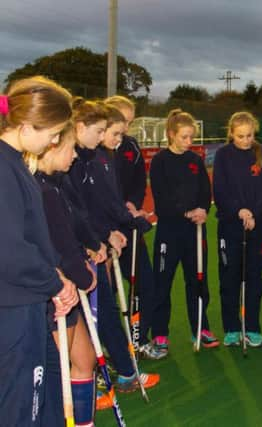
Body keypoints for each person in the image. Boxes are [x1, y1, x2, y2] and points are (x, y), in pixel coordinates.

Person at [67, 99, 159, 409]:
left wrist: (116, 230)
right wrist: (99, 238)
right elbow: (77, 211)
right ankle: (103, 377)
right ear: (80, 128)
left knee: (101, 309)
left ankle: (122, 372)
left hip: (96, 245)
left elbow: (105, 202)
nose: (113, 138)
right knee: (88, 317)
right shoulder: (73, 162)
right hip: (80, 252)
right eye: (106, 131)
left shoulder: (97, 158)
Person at [0, 76, 78, 426]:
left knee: (46, 402)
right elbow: (9, 249)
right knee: (21, 409)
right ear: (30, 124)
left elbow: (30, 238)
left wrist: (54, 276)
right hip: (14, 309)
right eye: (55, 131)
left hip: (30, 303)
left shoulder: (16, 162)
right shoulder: (4, 168)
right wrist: (54, 283)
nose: (56, 140)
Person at [35, 123, 98, 426]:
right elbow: (57, 244)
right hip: (55, 295)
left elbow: (72, 230)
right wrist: (82, 275)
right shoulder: (42, 190)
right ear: (53, 147)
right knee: (56, 374)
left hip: (68, 289)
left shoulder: (57, 184)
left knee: (84, 362)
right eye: (70, 148)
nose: (74, 156)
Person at [150, 109, 217, 353]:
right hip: (169, 232)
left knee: (198, 281)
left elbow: (204, 191)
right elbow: (161, 200)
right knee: (162, 282)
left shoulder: (195, 161)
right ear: (171, 135)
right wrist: (186, 213)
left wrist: (202, 211)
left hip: (195, 231)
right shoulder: (160, 162)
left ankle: (201, 327)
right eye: (185, 137)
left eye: (192, 137)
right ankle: (159, 333)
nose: (189, 142)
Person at [104, 95, 160, 360]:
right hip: (103, 233)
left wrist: (133, 204)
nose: (125, 128)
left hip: (129, 229)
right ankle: (109, 350)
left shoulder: (131, 146)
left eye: (129, 121)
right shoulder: (93, 151)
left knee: (144, 284)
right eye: (121, 121)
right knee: (108, 293)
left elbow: (139, 182)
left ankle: (139, 339)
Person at [213, 112, 262, 348]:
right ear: (231, 134)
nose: (246, 140)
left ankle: (252, 327)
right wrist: (239, 211)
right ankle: (231, 327)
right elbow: (219, 189)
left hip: (259, 225)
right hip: (230, 224)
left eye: (249, 135)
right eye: (240, 136)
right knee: (229, 276)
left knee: (254, 277)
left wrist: (254, 214)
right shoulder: (223, 155)